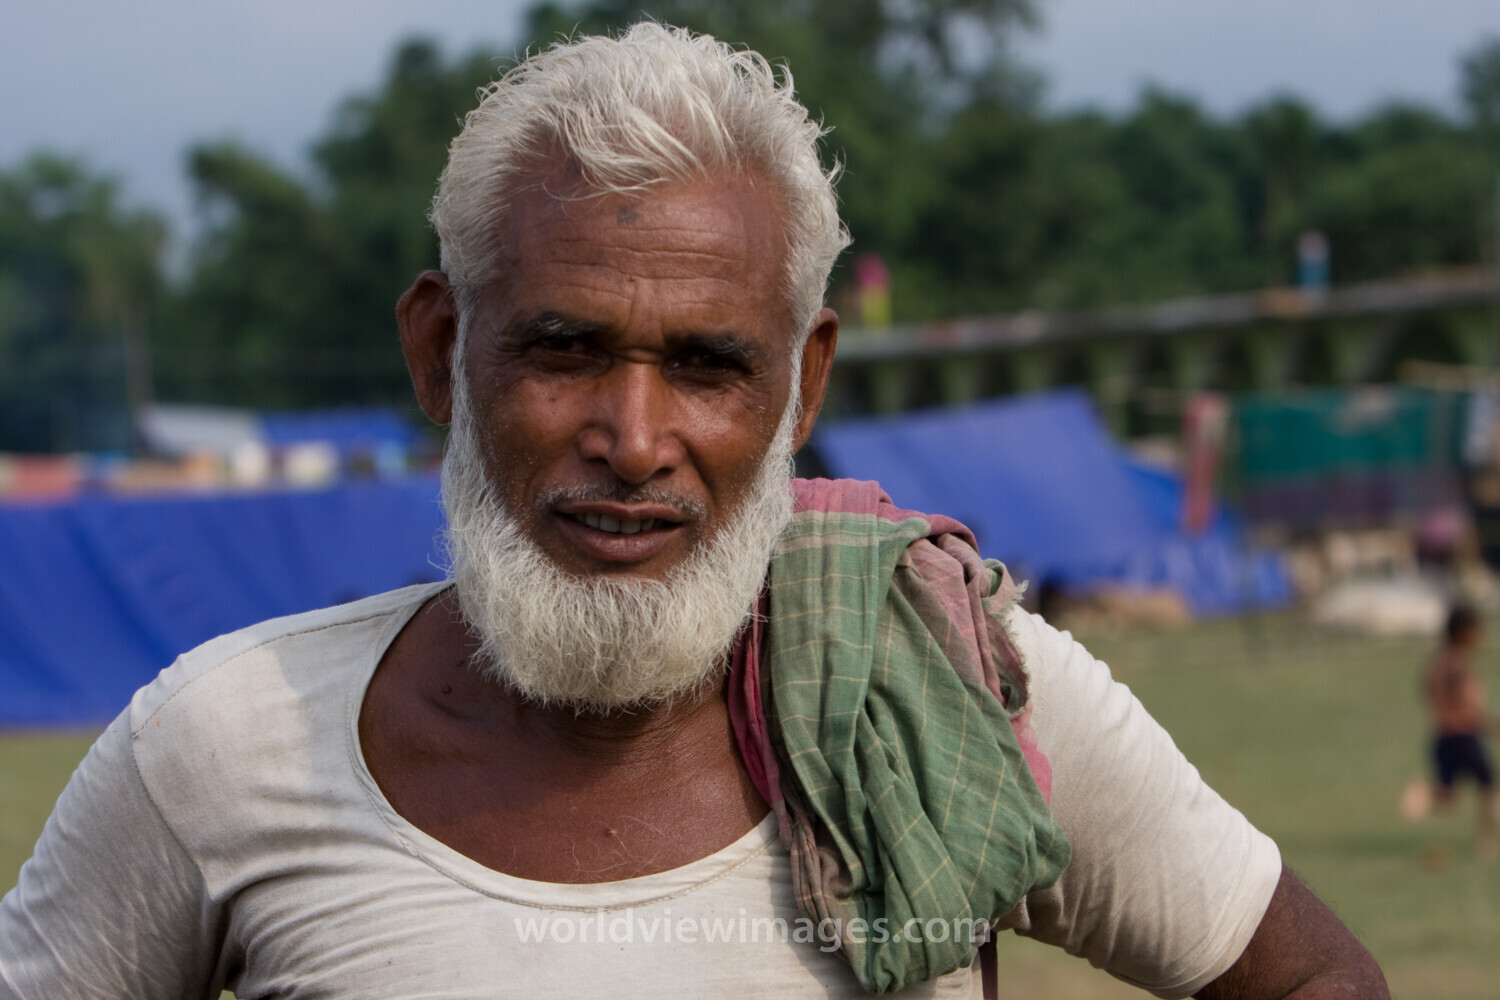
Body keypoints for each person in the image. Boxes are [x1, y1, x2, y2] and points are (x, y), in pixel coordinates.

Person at [0, 24, 1386, 999]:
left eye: (713, 366)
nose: (635, 439)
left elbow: (1316, 975)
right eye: (562, 349)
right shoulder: (221, 751)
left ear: (800, 389)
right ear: (439, 354)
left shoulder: (951, 699)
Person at [1421, 603, 1497, 859]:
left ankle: (1422, 794)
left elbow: (1428, 690)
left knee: (1448, 794)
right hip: (1463, 734)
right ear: (1465, 633)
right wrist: (1492, 724)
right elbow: (1468, 706)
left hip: (1442, 735)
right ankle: (1485, 842)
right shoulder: (1459, 667)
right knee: (1487, 783)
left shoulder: (1438, 661)